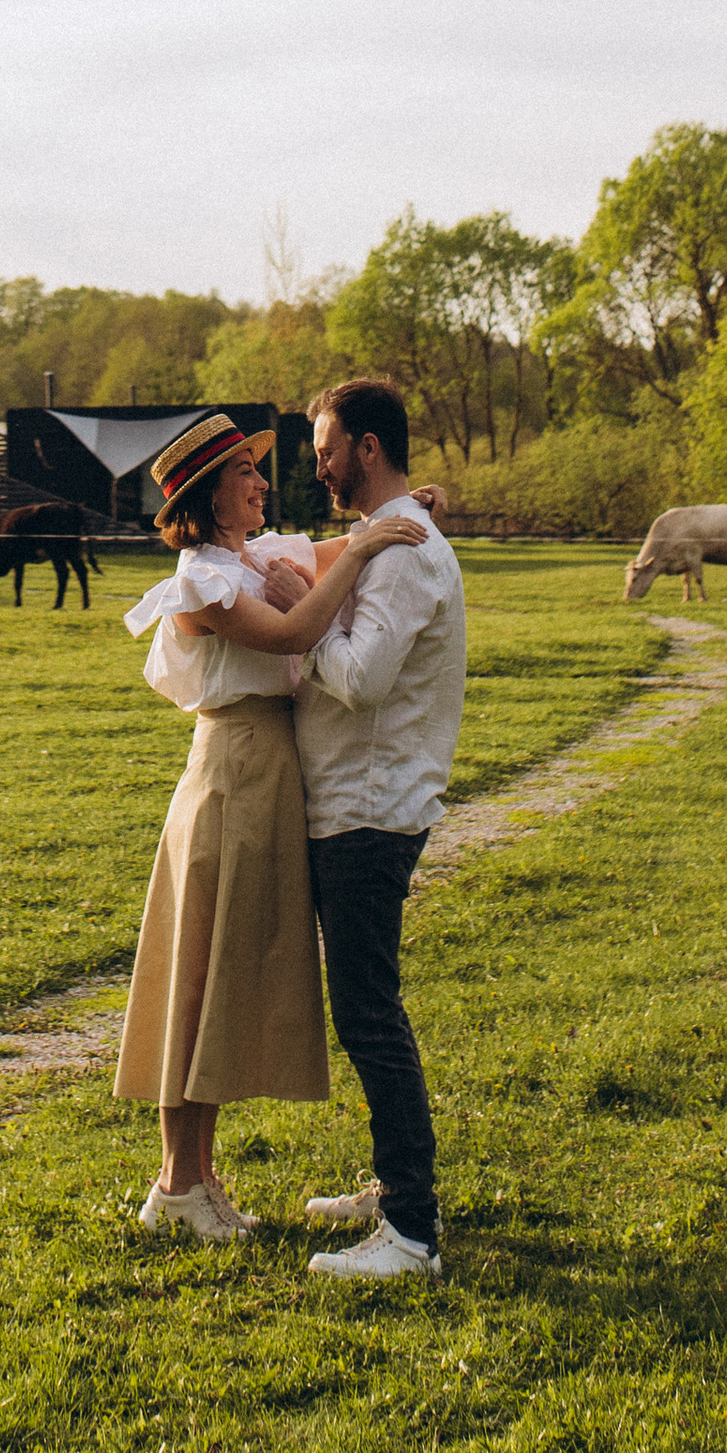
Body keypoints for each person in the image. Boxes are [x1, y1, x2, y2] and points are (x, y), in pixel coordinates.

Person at [114, 412, 428, 1243]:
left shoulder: (250, 558)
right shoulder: (202, 581)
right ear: (209, 496)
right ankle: (180, 1184)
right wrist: (361, 550)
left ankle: (190, 1181)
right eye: (244, 474)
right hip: (235, 773)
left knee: (219, 974)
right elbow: (292, 629)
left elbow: (317, 562)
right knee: (201, 976)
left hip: (261, 772)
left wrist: (391, 518)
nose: (261, 483)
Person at [283, 376, 467, 1284]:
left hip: (370, 807)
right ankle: (397, 1189)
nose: (314, 461)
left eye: (325, 445)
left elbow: (359, 678)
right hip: (355, 803)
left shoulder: (400, 552)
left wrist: (294, 628)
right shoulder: (382, 538)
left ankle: (412, 1230)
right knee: (366, 1011)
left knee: (369, 1014)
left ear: (366, 448)